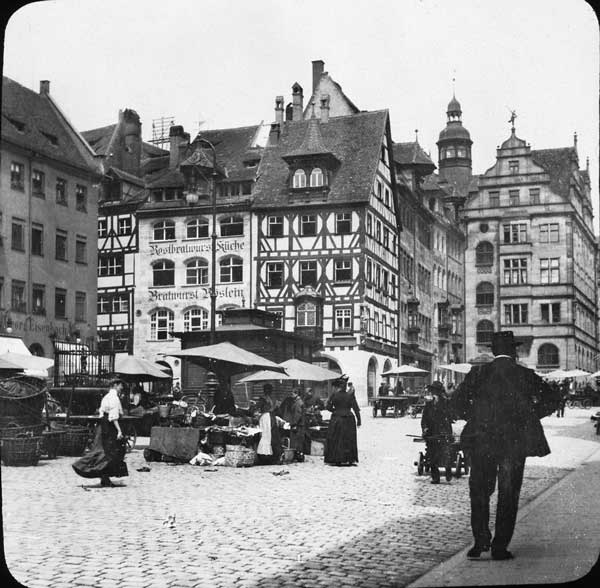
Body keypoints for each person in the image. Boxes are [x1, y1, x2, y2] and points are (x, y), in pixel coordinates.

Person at [452, 331, 560, 560]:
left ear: (493, 351)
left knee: (479, 491)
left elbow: (456, 403)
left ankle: (480, 542)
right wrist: (531, 416)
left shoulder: (478, 373)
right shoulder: (525, 375)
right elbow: (554, 399)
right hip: (514, 443)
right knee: (509, 493)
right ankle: (500, 547)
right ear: (514, 352)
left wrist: (476, 417)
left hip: (482, 440)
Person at [72, 378, 129, 487]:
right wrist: (119, 430)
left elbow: (102, 412)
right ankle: (83, 466)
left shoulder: (107, 397)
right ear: (116, 385)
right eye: (121, 385)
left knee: (103, 452)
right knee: (109, 452)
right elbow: (113, 416)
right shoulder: (114, 398)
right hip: (110, 427)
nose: (122, 388)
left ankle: (104, 477)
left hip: (103, 426)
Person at [421, 381, 453, 484]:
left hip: (444, 432)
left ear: (439, 392)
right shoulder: (428, 404)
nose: (433, 393)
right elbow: (424, 419)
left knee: (446, 454)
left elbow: (450, 417)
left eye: (435, 391)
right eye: (432, 391)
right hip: (431, 433)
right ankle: (435, 477)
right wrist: (425, 428)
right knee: (431, 455)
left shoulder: (446, 403)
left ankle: (448, 470)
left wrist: (447, 432)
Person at [324, 376, 361, 466]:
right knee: (349, 439)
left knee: (336, 438)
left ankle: (337, 459)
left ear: (339, 387)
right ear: (345, 387)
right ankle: (350, 459)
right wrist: (359, 420)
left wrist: (335, 411)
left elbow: (328, 406)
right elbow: (356, 408)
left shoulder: (334, 395)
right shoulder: (350, 395)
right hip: (349, 419)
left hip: (337, 419)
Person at [255, 397, 287, 465]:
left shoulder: (268, 404)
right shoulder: (266, 407)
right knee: (270, 438)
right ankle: (273, 457)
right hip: (268, 418)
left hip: (268, 419)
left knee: (270, 438)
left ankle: (275, 457)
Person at [277, 387, 307, 452]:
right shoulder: (297, 402)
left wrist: (291, 423)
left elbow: (297, 416)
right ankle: (297, 454)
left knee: (296, 442)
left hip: (298, 426)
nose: (291, 395)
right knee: (296, 441)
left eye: (292, 394)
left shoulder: (298, 403)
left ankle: (297, 454)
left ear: (296, 394)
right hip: (298, 425)